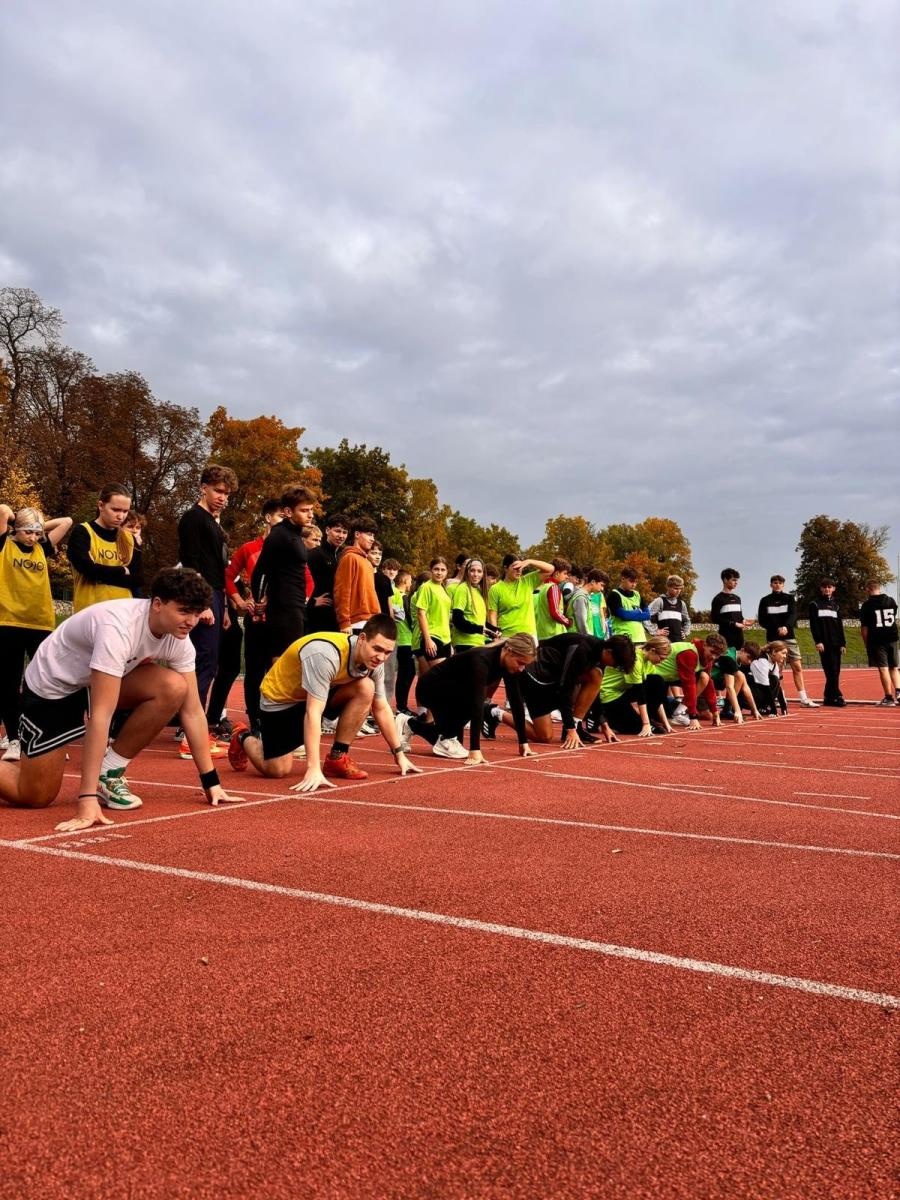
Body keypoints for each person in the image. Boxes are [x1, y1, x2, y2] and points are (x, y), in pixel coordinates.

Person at [0, 568, 243, 830]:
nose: (191, 621)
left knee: (175, 687)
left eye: (197, 613)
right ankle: (93, 788)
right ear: (158, 604)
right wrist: (87, 800)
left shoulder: (178, 638)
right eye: (184, 611)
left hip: (96, 681)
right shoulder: (117, 627)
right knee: (35, 795)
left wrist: (212, 783)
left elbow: (194, 711)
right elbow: (101, 715)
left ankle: (109, 772)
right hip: (55, 687)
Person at [227, 614, 421, 788]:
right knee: (277, 770)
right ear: (362, 638)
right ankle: (242, 736)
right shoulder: (325, 655)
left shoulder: (374, 662)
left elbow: (381, 708)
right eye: (377, 649)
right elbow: (313, 712)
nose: (381, 657)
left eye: (387, 652)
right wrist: (313, 769)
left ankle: (338, 757)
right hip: (280, 702)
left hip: (316, 694)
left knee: (366, 687)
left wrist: (399, 755)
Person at [0, 504, 73, 763]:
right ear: (16, 530)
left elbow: (66, 520)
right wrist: (15, 522)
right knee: (9, 683)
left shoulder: (43, 548)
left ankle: (47, 736)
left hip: (40, 623)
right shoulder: (4, 545)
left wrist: (38, 525)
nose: (33, 537)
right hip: (8, 622)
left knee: (46, 681)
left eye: (36, 532)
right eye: (27, 532)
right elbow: (2, 509)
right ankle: (14, 738)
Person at [396, 634, 538, 763]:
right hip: (431, 689)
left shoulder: (509, 664)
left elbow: (516, 700)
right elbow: (476, 702)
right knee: (450, 736)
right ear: (509, 651)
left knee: (449, 738)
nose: (521, 669)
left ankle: (409, 724)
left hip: (453, 693)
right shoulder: (482, 659)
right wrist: (475, 750)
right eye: (520, 663)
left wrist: (523, 743)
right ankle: (430, 732)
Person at [488, 632, 635, 748]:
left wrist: (604, 724)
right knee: (544, 737)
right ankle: (493, 712)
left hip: (556, 681)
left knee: (596, 674)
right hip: (537, 679)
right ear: (608, 652)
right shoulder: (581, 650)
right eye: (616, 664)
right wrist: (569, 728)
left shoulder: (599, 659)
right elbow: (565, 689)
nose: (615, 667)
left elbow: (593, 692)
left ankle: (576, 726)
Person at [217, 498, 283, 733]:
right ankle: (255, 720)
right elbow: (227, 576)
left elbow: (307, 582)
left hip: (281, 621)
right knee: (254, 671)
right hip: (256, 622)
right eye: (280, 517)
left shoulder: (292, 549)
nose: (284, 522)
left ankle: (274, 721)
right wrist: (239, 601)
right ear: (268, 518)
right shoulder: (249, 549)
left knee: (277, 672)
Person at [177, 464, 237, 720]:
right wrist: (201, 604)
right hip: (202, 595)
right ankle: (191, 726)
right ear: (203, 488)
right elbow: (190, 563)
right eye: (218, 491)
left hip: (215, 594)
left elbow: (217, 567)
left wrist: (222, 605)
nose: (223, 498)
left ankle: (190, 722)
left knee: (208, 661)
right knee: (203, 660)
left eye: (227, 494)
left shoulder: (212, 523)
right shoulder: (193, 518)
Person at [251, 484, 317, 661]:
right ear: (288, 511)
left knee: (292, 661)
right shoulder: (279, 535)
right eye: (304, 510)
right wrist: (259, 602)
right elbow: (261, 571)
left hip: (295, 607)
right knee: (284, 661)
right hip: (284, 609)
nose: (310, 514)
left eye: (311, 510)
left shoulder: (294, 535)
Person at [68, 483, 140, 611]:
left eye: (125, 511)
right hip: (90, 611)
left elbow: (137, 579)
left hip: (122, 612)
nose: (121, 516)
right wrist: (122, 571)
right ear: (101, 505)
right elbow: (87, 569)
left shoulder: (130, 539)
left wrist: (99, 572)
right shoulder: (83, 532)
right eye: (116, 510)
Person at [757, 575, 817, 707]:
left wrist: (785, 627)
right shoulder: (765, 600)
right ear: (771, 585)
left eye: (780, 583)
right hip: (773, 639)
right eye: (774, 582)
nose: (777, 584)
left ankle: (804, 698)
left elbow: (793, 615)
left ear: (783, 585)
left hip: (789, 637)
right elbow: (762, 620)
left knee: (797, 667)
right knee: (776, 670)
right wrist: (776, 628)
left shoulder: (789, 598)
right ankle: (779, 697)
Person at [642, 634, 718, 733]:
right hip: (656, 679)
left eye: (717, 655)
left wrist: (715, 711)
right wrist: (693, 716)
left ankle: (678, 710)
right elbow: (688, 685)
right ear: (705, 645)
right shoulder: (689, 653)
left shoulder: (708, 658)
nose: (713, 656)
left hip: (666, 679)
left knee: (705, 678)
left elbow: (708, 684)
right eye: (712, 652)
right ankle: (675, 712)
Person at [487, 554, 554, 640]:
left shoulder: (527, 581)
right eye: (515, 567)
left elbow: (550, 569)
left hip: (528, 635)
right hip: (507, 636)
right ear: (505, 568)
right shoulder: (495, 589)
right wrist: (495, 637)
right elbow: (492, 616)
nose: (519, 570)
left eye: (521, 567)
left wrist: (529, 561)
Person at [333, 517, 380, 634]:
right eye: (369, 534)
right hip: (355, 623)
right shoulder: (349, 557)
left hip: (370, 621)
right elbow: (342, 591)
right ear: (357, 534)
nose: (372, 539)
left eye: (373, 536)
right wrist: (344, 622)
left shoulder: (368, 562)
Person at [306, 513, 349, 633]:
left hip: (339, 618)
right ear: (327, 530)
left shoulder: (344, 556)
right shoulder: (314, 555)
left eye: (344, 532)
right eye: (337, 531)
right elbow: (300, 582)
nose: (341, 536)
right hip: (317, 618)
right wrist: (312, 602)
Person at [859, 579, 900, 705]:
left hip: (877, 639)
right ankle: (899, 692)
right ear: (879, 588)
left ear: (867, 589)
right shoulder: (891, 601)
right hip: (892, 637)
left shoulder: (867, 605)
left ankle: (888, 697)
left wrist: (866, 643)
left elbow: (865, 627)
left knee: (883, 668)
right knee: (894, 667)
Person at [808, 578, 846, 706]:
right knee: (830, 670)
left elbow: (840, 626)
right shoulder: (815, 604)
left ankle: (829, 697)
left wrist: (843, 643)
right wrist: (818, 641)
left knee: (836, 670)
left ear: (833, 589)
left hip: (836, 643)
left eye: (829, 587)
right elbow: (814, 625)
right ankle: (837, 696)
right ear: (821, 589)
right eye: (824, 587)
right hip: (824, 643)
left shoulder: (836, 606)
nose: (827, 589)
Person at [414, 557, 453, 675]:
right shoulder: (426, 587)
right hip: (433, 636)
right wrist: (427, 639)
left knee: (434, 679)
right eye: (436, 569)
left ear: (447, 572)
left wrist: (449, 642)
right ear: (431, 570)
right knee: (442, 677)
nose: (439, 572)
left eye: (443, 570)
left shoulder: (443, 588)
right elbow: (421, 613)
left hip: (445, 638)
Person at [450, 557, 496, 652]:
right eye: (472, 571)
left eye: (479, 571)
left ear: (483, 574)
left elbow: (478, 621)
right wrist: (479, 629)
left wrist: (494, 630)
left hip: (478, 642)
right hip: (465, 643)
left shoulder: (479, 591)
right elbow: (457, 619)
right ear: (467, 572)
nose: (476, 574)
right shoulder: (463, 589)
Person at [392, 569, 416, 714]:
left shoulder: (394, 593)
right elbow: (408, 618)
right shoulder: (402, 596)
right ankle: (401, 707)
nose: (411, 584)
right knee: (406, 674)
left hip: (401, 639)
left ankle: (401, 706)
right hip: (405, 640)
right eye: (410, 581)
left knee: (404, 673)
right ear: (405, 581)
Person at [711, 568, 751, 654]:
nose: (736, 583)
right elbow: (714, 618)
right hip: (725, 639)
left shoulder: (737, 598)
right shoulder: (718, 599)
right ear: (725, 580)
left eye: (737, 580)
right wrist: (733, 624)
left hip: (739, 638)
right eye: (733, 580)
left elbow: (739, 616)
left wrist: (744, 620)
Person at [608, 568, 651, 647]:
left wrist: (629, 614)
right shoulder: (614, 595)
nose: (634, 585)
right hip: (623, 638)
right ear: (623, 578)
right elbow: (623, 615)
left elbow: (647, 615)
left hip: (640, 638)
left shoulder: (637, 595)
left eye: (636, 582)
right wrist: (638, 611)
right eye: (631, 581)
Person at [533, 558, 572, 642]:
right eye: (565, 573)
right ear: (557, 573)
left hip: (542, 634)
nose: (567, 576)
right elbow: (554, 612)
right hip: (554, 634)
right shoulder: (553, 587)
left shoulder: (542, 587)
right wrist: (568, 621)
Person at [646, 576, 691, 642]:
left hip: (678, 643)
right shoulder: (659, 601)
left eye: (680, 588)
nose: (678, 591)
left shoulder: (682, 604)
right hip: (663, 644)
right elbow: (645, 616)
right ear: (668, 587)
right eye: (675, 588)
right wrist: (655, 631)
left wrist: (685, 632)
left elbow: (687, 621)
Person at [750, 642, 789, 716]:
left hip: (756, 690)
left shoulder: (774, 663)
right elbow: (765, 687)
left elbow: (778, 686)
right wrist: (773, 710)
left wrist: (783, 707)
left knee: (775, 680)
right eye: (783, 653)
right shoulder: (762, 661)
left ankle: (762, 707)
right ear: (774, 652)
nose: (785, 656)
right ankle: (760, 707)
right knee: (772, 680)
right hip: (746, 693)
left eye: (786, 654)